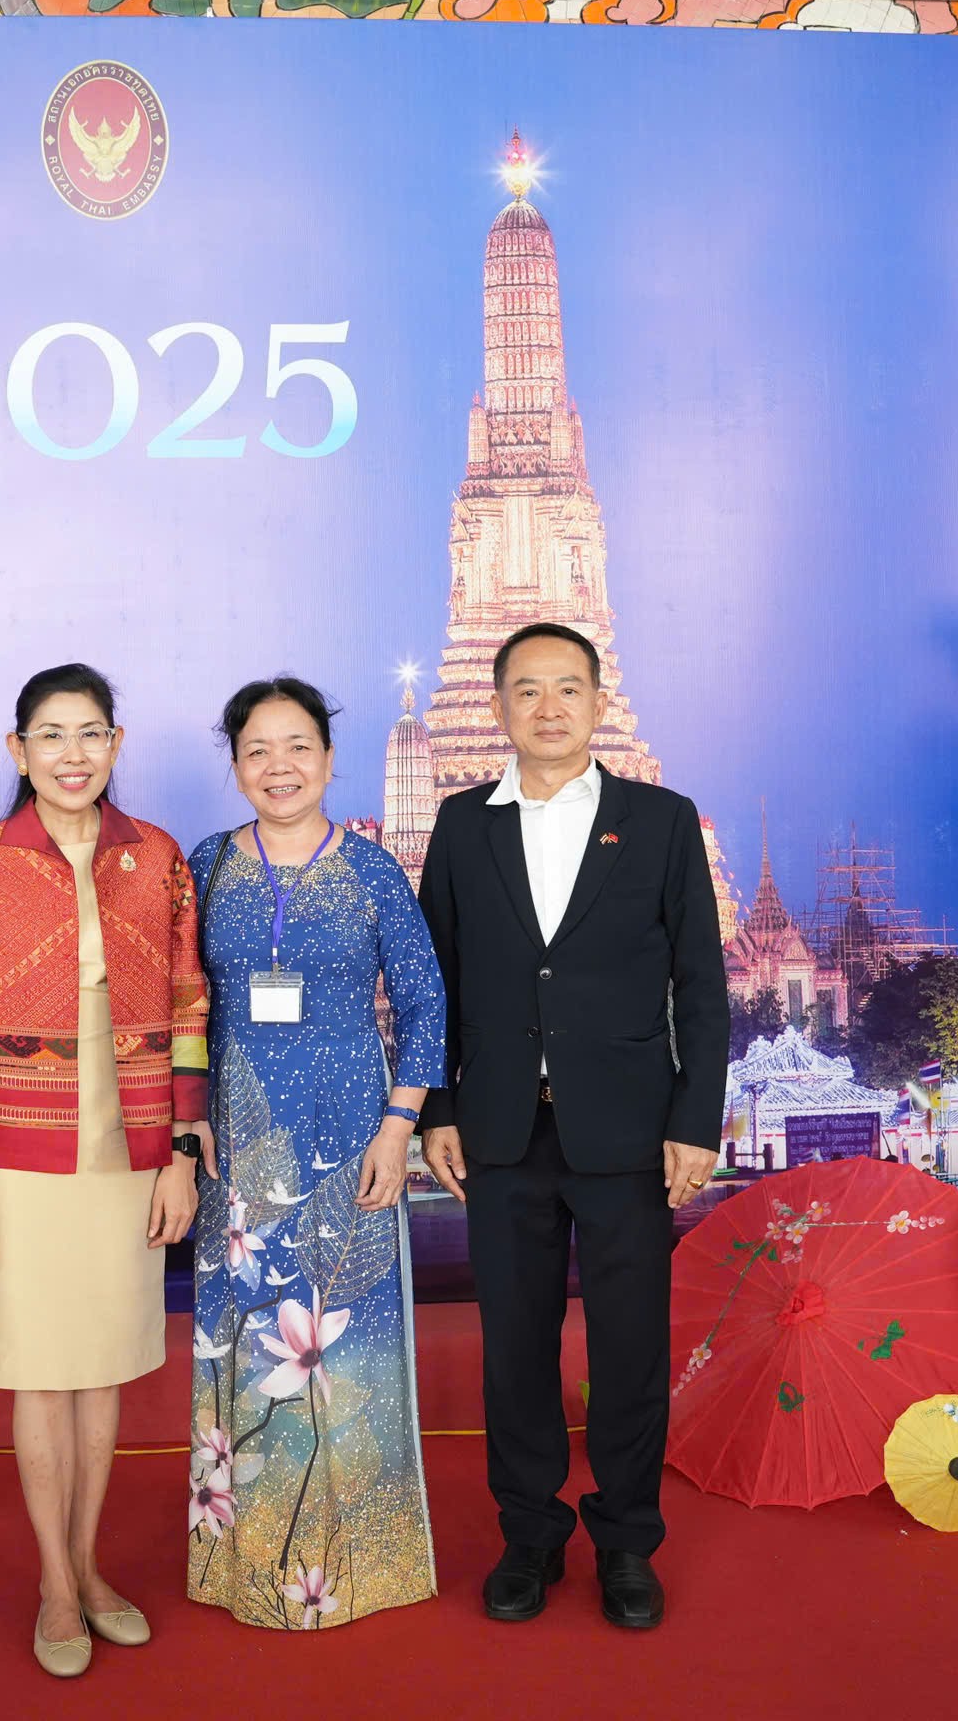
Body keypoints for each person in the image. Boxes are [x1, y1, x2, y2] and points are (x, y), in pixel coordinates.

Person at [417, 621, 727, 1632]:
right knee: (515, 1347)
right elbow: (435, 985)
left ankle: (627, 1541)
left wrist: (695, 1120)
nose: (547, 708)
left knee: (630, 1348)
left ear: (597, 702)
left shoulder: (661, 821)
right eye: (526, 690)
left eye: (566, 689)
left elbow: (701, 984)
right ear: (499, 707)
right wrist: (439, 1109)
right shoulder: (462, 824)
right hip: (501, 1132)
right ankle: (529, 1534)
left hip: (630, 1133)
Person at [0, 663, 206, 1679]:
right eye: (50, 734)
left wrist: (181, 1156)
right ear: (18, 749)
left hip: (131, 1153)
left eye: (89, 734)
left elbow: (190, 1004)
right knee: (39, 1372)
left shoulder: (157, 856)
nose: (72, 755)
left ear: (116, 744)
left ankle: (88, 1565)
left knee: (104, 1366)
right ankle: (54, 1584)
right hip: (13, 1154)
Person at [186, 677, 445, 1630]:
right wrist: (186, 1119)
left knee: (342, 1344)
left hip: (349, 1137)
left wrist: (399, 1127)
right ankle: (244, 1568)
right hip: (239, 1139)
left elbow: (425, 1004)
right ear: (236, 766)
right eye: (257, 750)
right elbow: (179, 1001)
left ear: (330, 761)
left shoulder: (373, 870)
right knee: (248, 1338)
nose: (279, 766)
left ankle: (360, 1564)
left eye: (298, 746)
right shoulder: (209, 864)